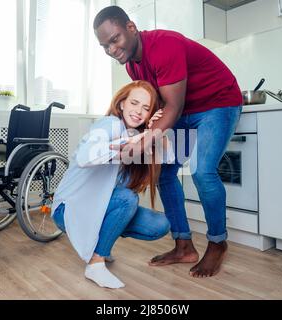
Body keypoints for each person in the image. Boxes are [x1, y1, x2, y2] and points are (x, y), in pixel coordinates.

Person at [93, 6, 243, 278]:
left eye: (114, 39)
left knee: (202, 171)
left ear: (131, 27)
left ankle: (218, 243)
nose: (112, 49)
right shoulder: (131, 63)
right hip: (185, 112)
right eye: (105, 46)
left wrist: (146, 139)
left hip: (217, 104)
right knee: (164, 172)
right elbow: (161, 102)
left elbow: (173, 105)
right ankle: (183, 245)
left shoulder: (164, 45)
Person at [51, 80, 172, 289]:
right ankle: (96, 263)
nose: (138, 112)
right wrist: (125, 146)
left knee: (159, 225)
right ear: (122, 103)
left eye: (146, 108)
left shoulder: (136, 136)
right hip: (69, 209)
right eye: (134, 103)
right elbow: (83, 156)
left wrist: (154, 131)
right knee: (127, 199)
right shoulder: (110, 124)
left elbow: (169, 156)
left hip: (98, 207)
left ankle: (101, 242)